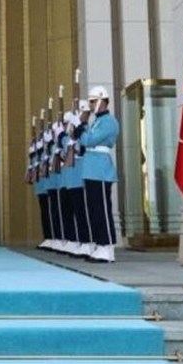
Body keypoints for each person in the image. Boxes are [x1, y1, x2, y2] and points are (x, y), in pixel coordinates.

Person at [76, 86, 119, 263]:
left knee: (102, 209)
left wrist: (81, 128)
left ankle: (106, 246)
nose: (91, 105)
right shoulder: (97, 122)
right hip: (91, 169)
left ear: (102, 100)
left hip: (100, 169)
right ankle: (99, 244)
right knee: (94, 210)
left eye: (93, 101)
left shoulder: (108, 121)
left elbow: (89, 140)